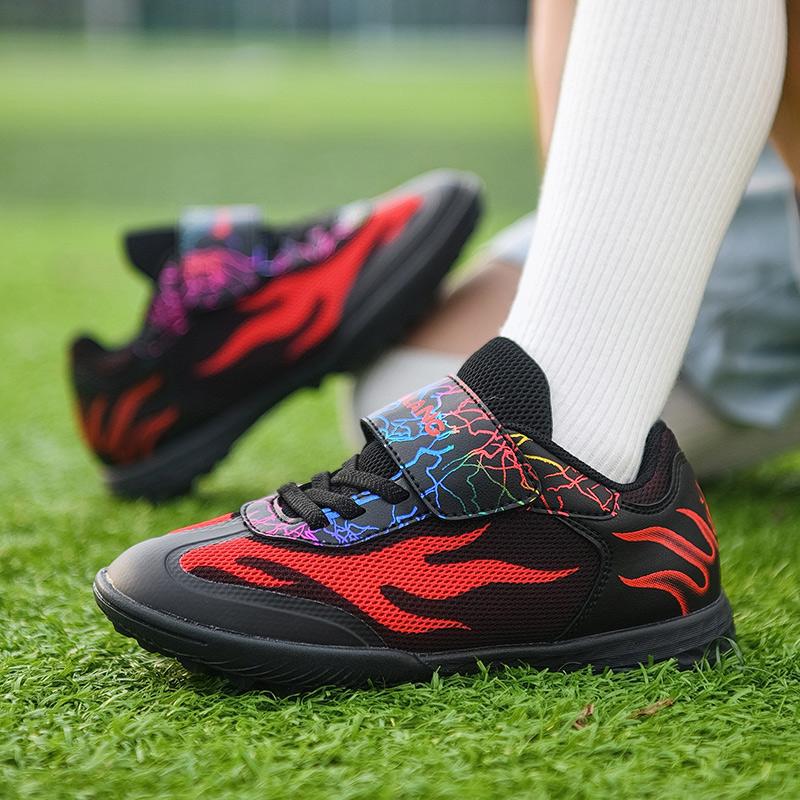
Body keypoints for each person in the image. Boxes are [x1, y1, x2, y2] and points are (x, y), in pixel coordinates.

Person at [92, 1, 794, 690]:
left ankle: (569, 463)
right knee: (396, 388)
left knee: (517, 431)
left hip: (772, 204)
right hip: (706, 161)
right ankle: (608, 490)